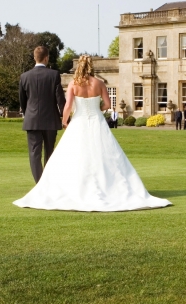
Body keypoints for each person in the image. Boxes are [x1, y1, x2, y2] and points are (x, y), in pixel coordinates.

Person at [14, 55, 171, 212]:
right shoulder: (99, 83)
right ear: (91, 67)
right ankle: (110, 188)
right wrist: (97, 109)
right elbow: (108, 104)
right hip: (97, 122)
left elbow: (67, 106)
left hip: (79, 122)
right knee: (104, 155)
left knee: (74, 156)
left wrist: (65, 121)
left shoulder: (73, 84)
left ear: (78, 67)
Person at [18, 46, 66, 184]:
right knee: (50, 152)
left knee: (34, 154)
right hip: (51, 120)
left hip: (31, 120)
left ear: (34, 57)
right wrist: (65, 117)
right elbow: (60, 100)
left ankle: (39, 184)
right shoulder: (54, 75)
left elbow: (22, 101)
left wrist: (28, 114)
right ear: (47, 58)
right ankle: (48, 183)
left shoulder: (24, 76)